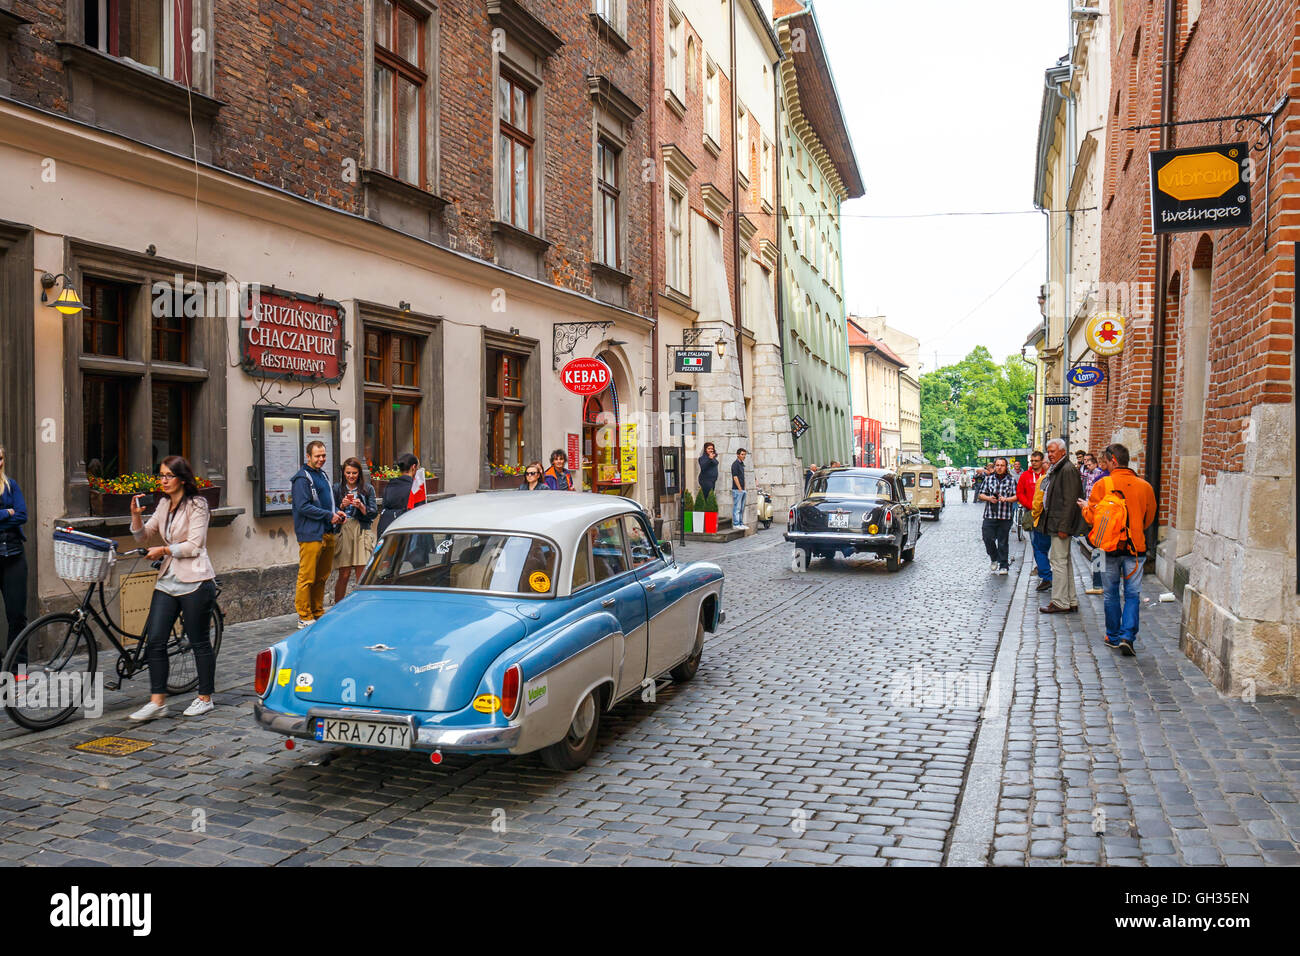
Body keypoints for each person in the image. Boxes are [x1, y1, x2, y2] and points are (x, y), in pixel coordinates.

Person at [127, 455, 217, 720]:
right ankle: (158, 702)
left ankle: (205, 697)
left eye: (168, 475)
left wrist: (164, 549)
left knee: (198, 640)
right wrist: (135, 516)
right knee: (155, 640)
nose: (163, 480)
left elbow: (194, 545)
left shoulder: (198, 504)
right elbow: (144, 535)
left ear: (181, 478)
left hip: (195, 580)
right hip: (168, 580)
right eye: (161, 475)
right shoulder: (164, 504)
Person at [1080, 443, 1157, 656]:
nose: (1104, 464)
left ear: (1113, 460)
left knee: (1110, 594)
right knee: (1133, 594)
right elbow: (1148, 518)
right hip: (1136, 548)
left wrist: (1085, 507)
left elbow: (1092, 518)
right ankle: (1127, 636)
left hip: (1107, 548)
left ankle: (1112, 636)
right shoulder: (1145, 486)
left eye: (1105, 460)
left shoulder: (1103, 484)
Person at [291, 440, 345, 629]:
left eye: (323, 455)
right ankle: (304, 615)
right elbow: (303, 506)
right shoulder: (301, 478)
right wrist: (328, 515)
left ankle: (317, 611)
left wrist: (337, 511)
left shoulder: (322, 475)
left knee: (322, 576)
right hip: (311, 533)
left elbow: (326, 503)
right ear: (308, 456)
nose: (321, 459)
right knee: (307, 577)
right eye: (317, 456)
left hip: (327, 532)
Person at [1039, 437, 1085, 614]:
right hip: (1057, 522)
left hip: (1060, 524)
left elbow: (1070, 501)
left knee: (1058, 562)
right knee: (1064, 562)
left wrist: (1064, 527)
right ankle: (1070, 599)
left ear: (1063, 452)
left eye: (1053, 451)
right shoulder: (1059, 468)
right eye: (1048, 451)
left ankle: (1059, 601)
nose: (1049, 454)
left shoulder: (1066, 469)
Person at [332, 457, 377, 604]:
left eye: (354, 473)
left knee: (361, 573)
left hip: (361, 530)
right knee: (344, 574)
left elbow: (373, 513)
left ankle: (361, 606)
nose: (351, 476)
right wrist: (342, 506)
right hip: (344, 529)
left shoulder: (368, 489)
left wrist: (361, 507)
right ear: (343, 473)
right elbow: (331, 511)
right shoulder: (337, 488)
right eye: (348, 473)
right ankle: (338, 607)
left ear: (359, 474)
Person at [0, 444, 28, 659]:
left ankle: (18, 665)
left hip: (14, 556)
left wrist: (8, 514)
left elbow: (22, 515)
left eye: (0, 458)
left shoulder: (11, 485)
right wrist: (6, 513)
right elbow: (13, 515)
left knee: (17, 615)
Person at [1018, 451, 1052, 592]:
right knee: (1035, 542)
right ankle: (1044, 569)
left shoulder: (1047, 476)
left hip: (1046, 514)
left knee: (1044, 544)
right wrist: (1030, 506)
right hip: (1031, 513)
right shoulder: (1025, 475)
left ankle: (1044, 568)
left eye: (1036, 461)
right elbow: (1020, 492)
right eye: (1032, 461)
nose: (1034, 463)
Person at [978, 457, 1016, 575]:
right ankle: (994, 558)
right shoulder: (989, 479)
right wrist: (989, 498)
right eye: (997, 465)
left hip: (1005, 515)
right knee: (987, 538)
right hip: (990, 514)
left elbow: (1017, 496)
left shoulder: (1011, 480)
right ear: (994, 467)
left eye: (1002, 465)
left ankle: (1004, 565)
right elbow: (981, 494)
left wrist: (1006, 499)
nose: (999, 467)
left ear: (1006, 467)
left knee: (1003, 541)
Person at [376, 453, 420, 537]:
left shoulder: (389, 485)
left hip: (388, 530)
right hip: (405, 531)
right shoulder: (415, 488)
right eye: (418, 467)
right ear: (413, 467)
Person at [731, 448, 748, 531]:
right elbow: (735, 477)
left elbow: (742, 477)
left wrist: (744, 487)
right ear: (738, 455)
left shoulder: (741, 464)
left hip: (742, 489)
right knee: (737, 508)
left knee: (741, 508)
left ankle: (740, 523)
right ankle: (736, 524)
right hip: (737, 490)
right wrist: (740, 488)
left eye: (744, 454)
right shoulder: (735, 464)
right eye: (742, 454)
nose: (744, 456)